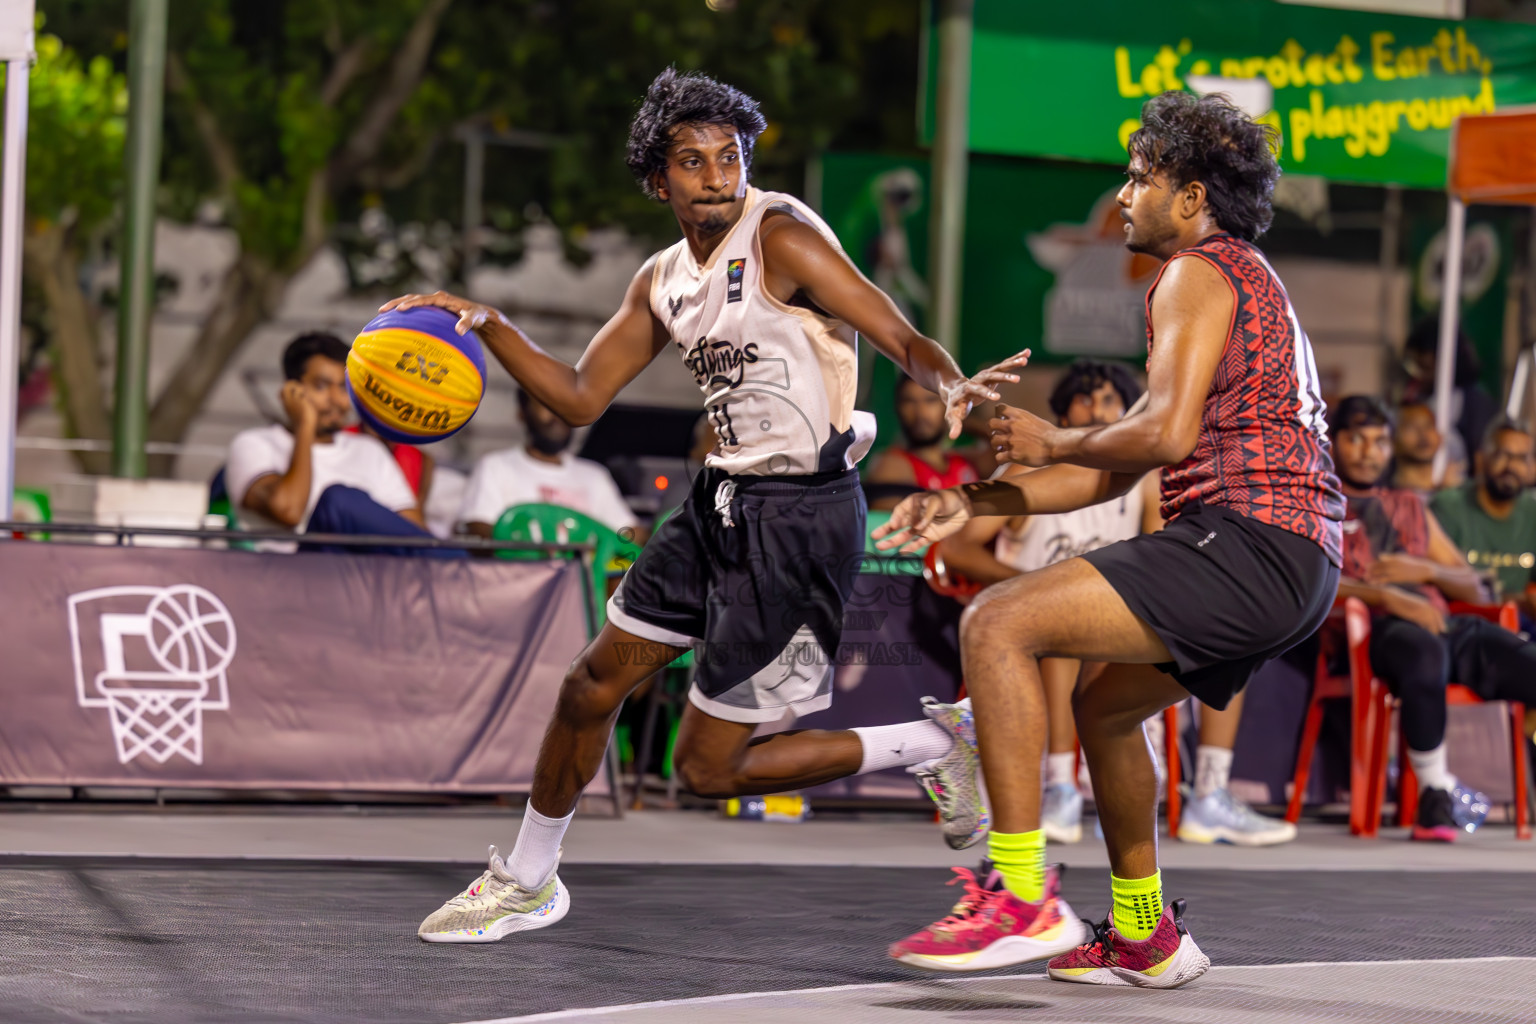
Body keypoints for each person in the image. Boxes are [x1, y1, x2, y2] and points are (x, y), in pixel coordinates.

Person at [385, 69, 1017, 944]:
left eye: (731, 157)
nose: (719, 175)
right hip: (717, 503)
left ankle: (932, 745)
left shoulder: (783, 237)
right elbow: (576, 396)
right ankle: (527, 880)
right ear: (660, 180)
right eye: (694, 161)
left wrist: (947, 381)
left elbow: (895, 329)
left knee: (709, 773)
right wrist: (488, 326)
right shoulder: (662, 279)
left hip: (799, 521)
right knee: (590, 682)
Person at [877, 91, 1342, 986]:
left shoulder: (1198, 275)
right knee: (1104, 707)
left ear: (1194, 197)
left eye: (1140, 178)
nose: (1123, 195)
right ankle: (1144, 932)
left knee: (997, 623)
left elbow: (1159, 438)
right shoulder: (1235, 279)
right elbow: (1107, 471)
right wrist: (968, 503)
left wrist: (1054, 435)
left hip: (1253, 540)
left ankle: (1018, 895)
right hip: (1293, 558)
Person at [935, 359, 1294, 848]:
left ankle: (1210, 793)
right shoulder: (1028, 465)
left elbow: (1158, 562)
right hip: (1040, 616)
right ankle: (1060, 786)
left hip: (1111, 611)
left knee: (1225, 642)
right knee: (1054, 621)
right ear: (1061, 412)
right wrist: (1030, 583)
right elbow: (957, 548)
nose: (1096, 407)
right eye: (1085, 397)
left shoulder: (1145, 480)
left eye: (1108, 399)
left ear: (1129, 411)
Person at [1325, 395, 1536, 839]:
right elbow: (1308, 585)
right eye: (1355, 439)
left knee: (1523, 660)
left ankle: (1441, 793)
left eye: (1379, 441)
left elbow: (1474, 585)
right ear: (1332, 441)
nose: (1368, 451)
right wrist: (1388, 598)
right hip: (1374, 636)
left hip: (1444, 627)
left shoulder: (1409, 505)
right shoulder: (1318, 502)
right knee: (1422, 653)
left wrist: (1428, 570)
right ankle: (1436, 795)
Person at [225, 332, 455, 557]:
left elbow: (414, 533)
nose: (337, 400)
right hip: (292, 577)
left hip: (363, 581)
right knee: (338, 499)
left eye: (344, 387)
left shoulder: (369, 450)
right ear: (291, 390)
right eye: (322, 386)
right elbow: (289, 511)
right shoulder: (254, 444)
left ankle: (458, 566)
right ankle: (461, 566)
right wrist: (305, 426)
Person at [457, 388, 640, 540]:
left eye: (564, 406)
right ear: (522, 413)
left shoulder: (594, 475)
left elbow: (628, 531)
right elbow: (477, 528)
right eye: (546, 404)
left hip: (586, 581)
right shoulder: (495, 467)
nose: (557, 415)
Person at [1430, 418, 1536, 624]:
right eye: (1502, 455)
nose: (1511, 466)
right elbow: (1438, 583)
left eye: (1522, 458)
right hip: (1460, 619)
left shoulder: (1533, 512)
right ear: (1480, 459)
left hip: (1518, 621)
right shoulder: (1447, 507)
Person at [864, 373, 980, 510]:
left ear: (947, 406)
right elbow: (894, 527)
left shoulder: (964, 460)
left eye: (930, 400)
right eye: (909, 402)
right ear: (898, 408)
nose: (921, 413)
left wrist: (961, 415)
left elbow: (1006, 456)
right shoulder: (891, 464)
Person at [1391, 400, 1464, 498]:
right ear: (1392, 439)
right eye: (1411, 428)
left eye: (1429, 426)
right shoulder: (1385, 498)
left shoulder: (1459, 492)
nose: (1424, 435)